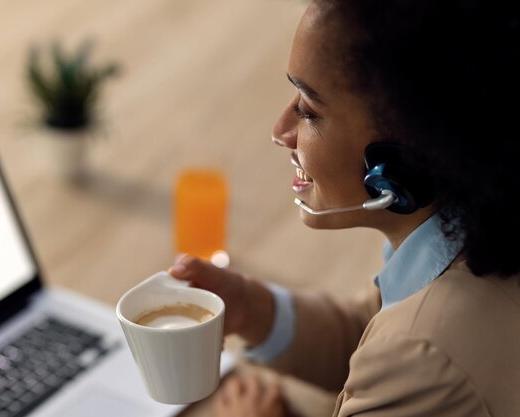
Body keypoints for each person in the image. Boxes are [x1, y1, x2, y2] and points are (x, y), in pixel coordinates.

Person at [168, 0, 520, 416]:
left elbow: (399, 352)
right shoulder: (467, 230)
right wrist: (253, 309)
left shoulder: (423, 357)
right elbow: (372, 332)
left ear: (405, 158)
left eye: (307, 109)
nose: (280, 131)